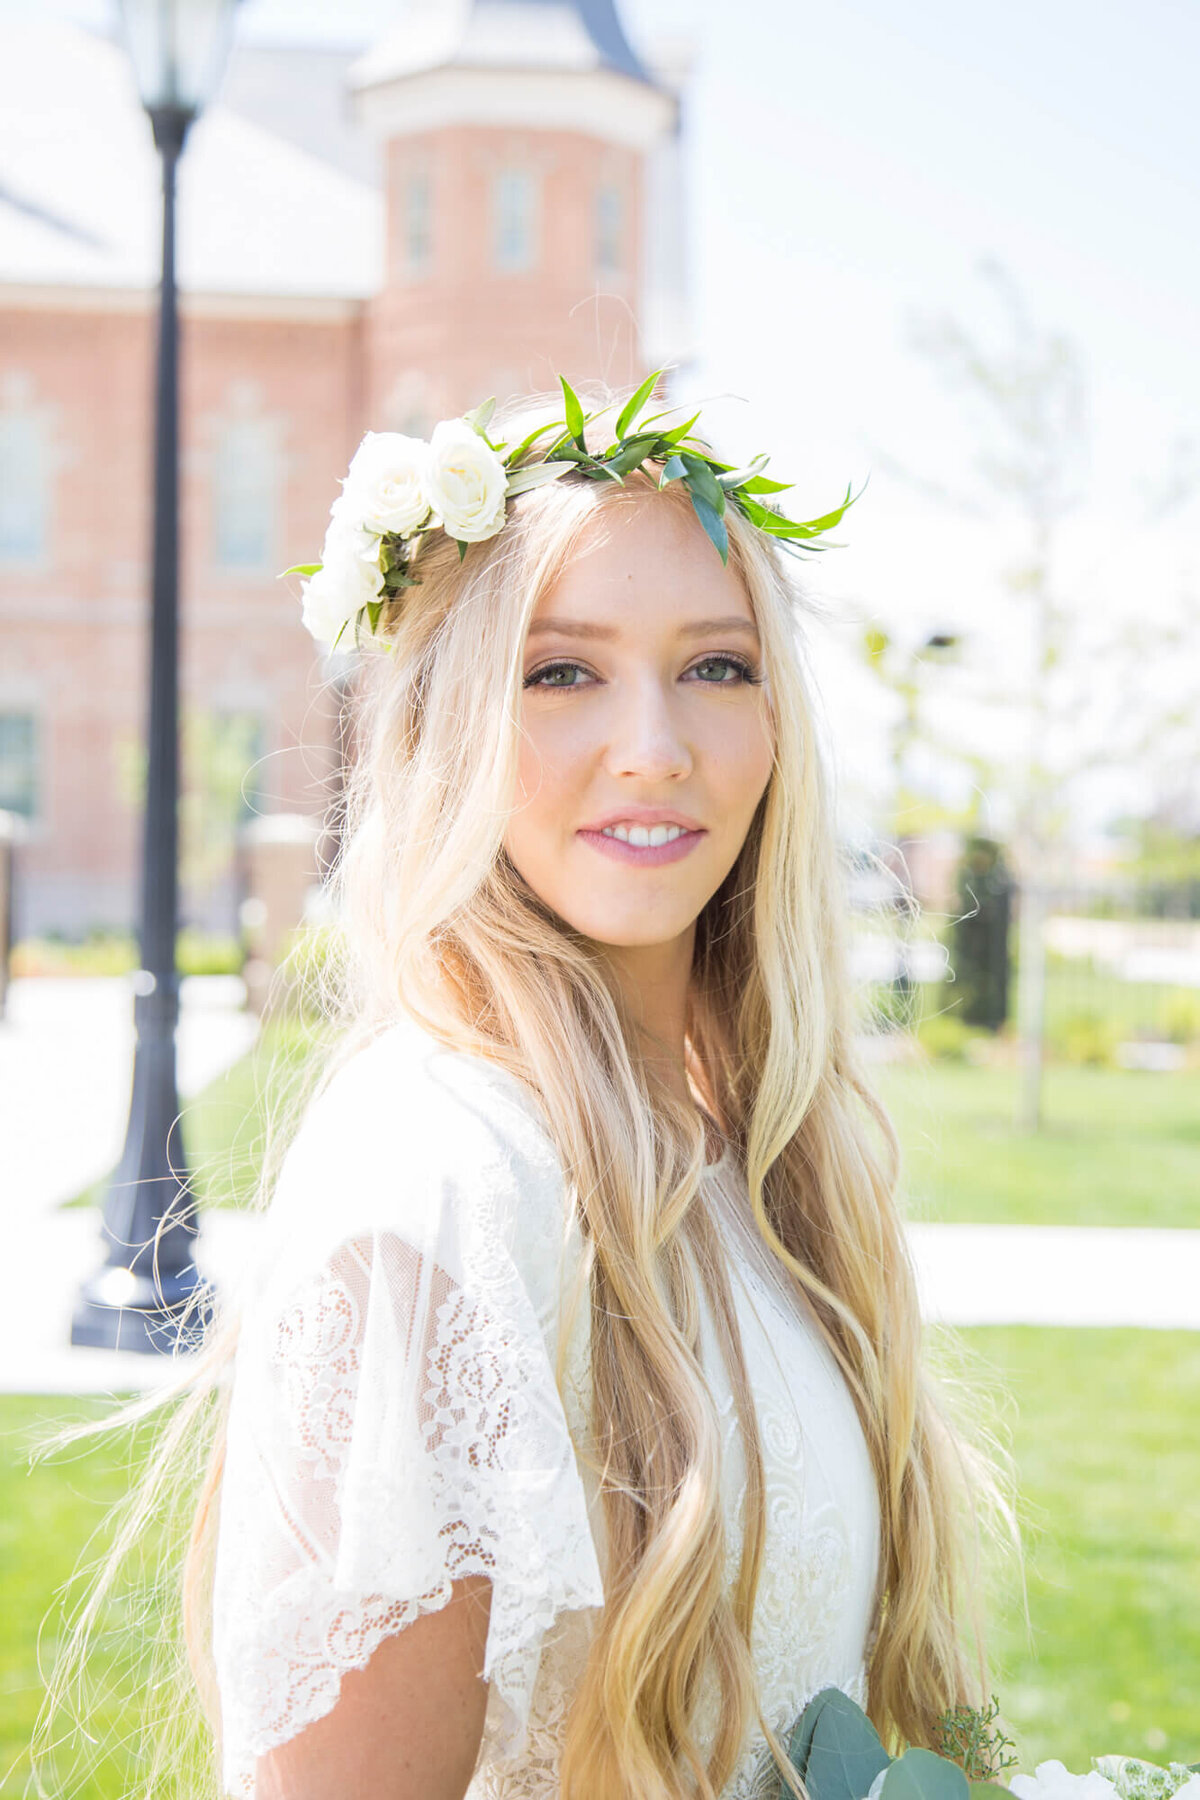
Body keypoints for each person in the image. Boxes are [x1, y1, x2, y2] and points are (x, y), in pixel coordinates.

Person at [60, 383, 1006, 1800]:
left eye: (718, 666)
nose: (655, 746)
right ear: (449, 729)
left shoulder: (755, 1165)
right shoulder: (439, 1180)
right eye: (561, 672)